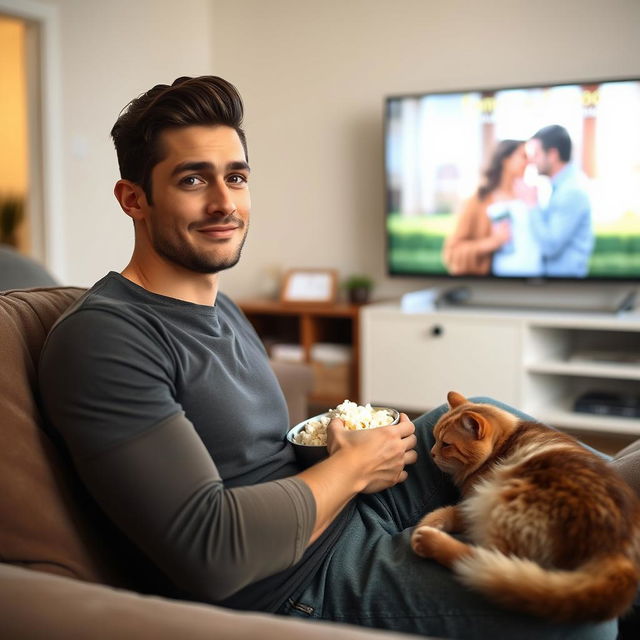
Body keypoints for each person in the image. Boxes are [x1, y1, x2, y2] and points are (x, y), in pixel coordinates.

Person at [37, 76, 615, 640]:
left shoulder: (223, 307)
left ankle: (620, 522)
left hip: (336, 509)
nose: (224, 203)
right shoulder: (105, 339)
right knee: (587, 619)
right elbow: (211, 550)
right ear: (133, 198)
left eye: (235, 178)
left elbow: (255, 455)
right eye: (193, 180)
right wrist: (354, 467)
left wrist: (341, 451)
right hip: (293, 582)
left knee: (477, 418)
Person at [442, 140, 541, 277]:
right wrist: (494, 242)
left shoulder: (530, 196)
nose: (529, 162)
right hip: (498, 286)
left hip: (535, 283)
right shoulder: (479, 200)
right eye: (523, 156)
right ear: (505, 160)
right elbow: (453, 252)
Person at [527, 125, 594, 277]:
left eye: (536, 154)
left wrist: (532, 205)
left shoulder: (571, 191)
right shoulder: (563, 185)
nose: (532, 162)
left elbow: (550, 246)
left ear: (552, 154)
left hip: (565, 289)